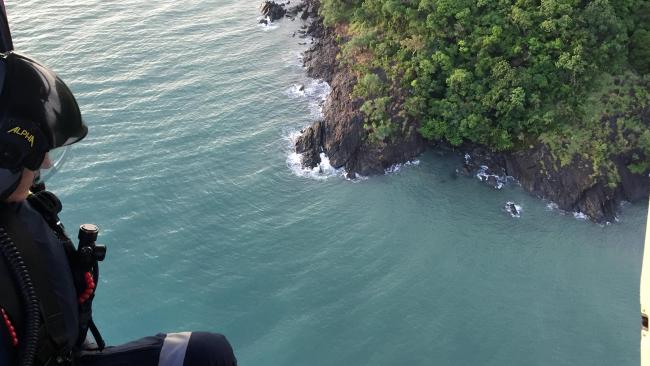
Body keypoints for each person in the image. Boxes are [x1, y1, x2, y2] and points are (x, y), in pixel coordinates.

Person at [0, 51, 237, 365]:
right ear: (8, 153)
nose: (46, 162)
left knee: (205, 354)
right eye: (40, 151)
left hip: (67, 353)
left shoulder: (21, 208)